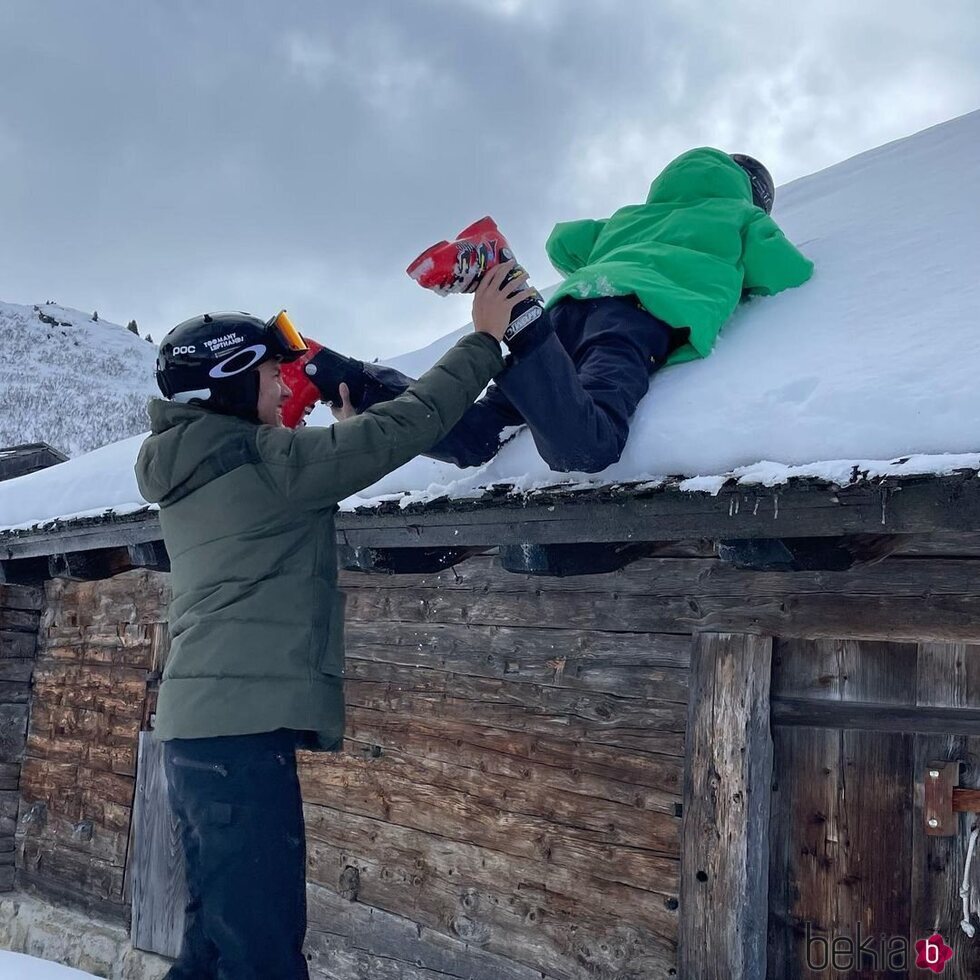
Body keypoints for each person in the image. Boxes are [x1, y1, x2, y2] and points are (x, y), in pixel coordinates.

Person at [133, 261, 529, 980]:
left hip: (201, 741)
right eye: (270, 375)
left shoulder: (197, 466)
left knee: (215, 950)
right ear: (229, 383)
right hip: (238, 744)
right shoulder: (267, 461)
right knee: (263, 959)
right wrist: (482, 340)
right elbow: (407, 424)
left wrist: (341, 448)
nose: (287, 385)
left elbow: (297, 489)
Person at [324, 148, 814, 473]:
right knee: (587, 446)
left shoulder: (630, 217)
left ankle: (349, 379)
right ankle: (517, 311)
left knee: (478, 436)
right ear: (753, 196)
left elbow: (563, 242)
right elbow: (784, 271)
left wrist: (613, 252)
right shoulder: (739, 217)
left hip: (568, 315)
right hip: (632, 319)